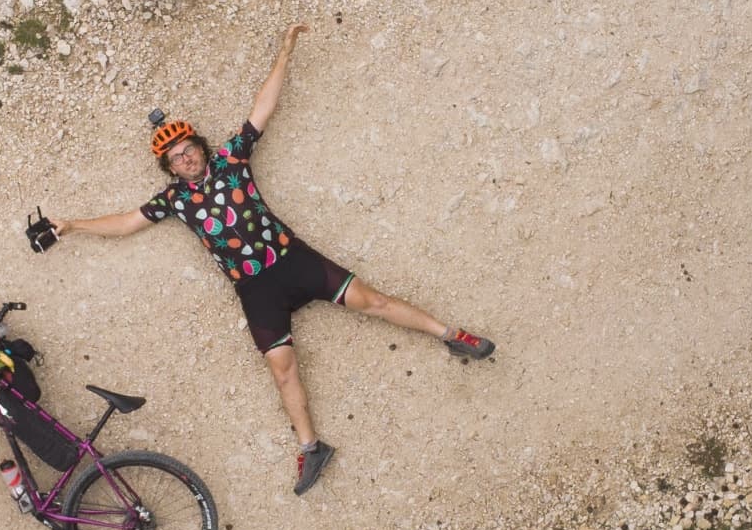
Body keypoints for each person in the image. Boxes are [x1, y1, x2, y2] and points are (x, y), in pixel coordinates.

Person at [49, 24, 495, 495]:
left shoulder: (231, 159)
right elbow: (124, 222)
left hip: (293, 260)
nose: (185, 160)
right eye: (175, 159)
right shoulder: (174, 200)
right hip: (256, 290)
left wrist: (284, 53)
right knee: (282, 369)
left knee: (375, 302)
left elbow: (263, 108)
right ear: (169, 168)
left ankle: (453, 335)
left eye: (188, 150)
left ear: (200, 146)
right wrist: (75, 225)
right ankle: (311, 448)